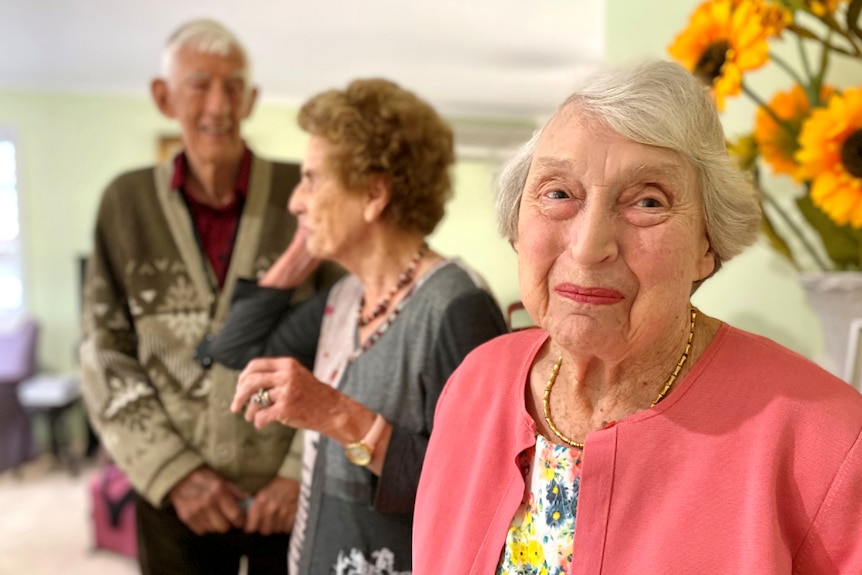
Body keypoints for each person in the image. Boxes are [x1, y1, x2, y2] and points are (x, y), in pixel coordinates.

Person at [413, 60, 862, 574]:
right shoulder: (475, 384)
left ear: (706, 246)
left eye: (647, 201)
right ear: (517, 219)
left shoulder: (827, 437)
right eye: (559, 193)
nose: (588, 248)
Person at [203, 77, 509, 574]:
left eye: (312, 180)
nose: (296, 201)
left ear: (373, 194)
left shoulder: (456, 306)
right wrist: (297, 255)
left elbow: (478, 486)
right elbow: (237, 349)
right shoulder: (345, 300)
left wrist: (335, 414)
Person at [79, 19, 338, 575]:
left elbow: (351, 338)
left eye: (233, 86)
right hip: (176, 496)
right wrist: (171, 471)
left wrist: (299, 467)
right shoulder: (125, 205)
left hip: (289, 494)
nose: (218, 104)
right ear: (163, 96)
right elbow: (103, 351)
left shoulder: (306, 194)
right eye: (200, 84)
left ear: (251, 100)